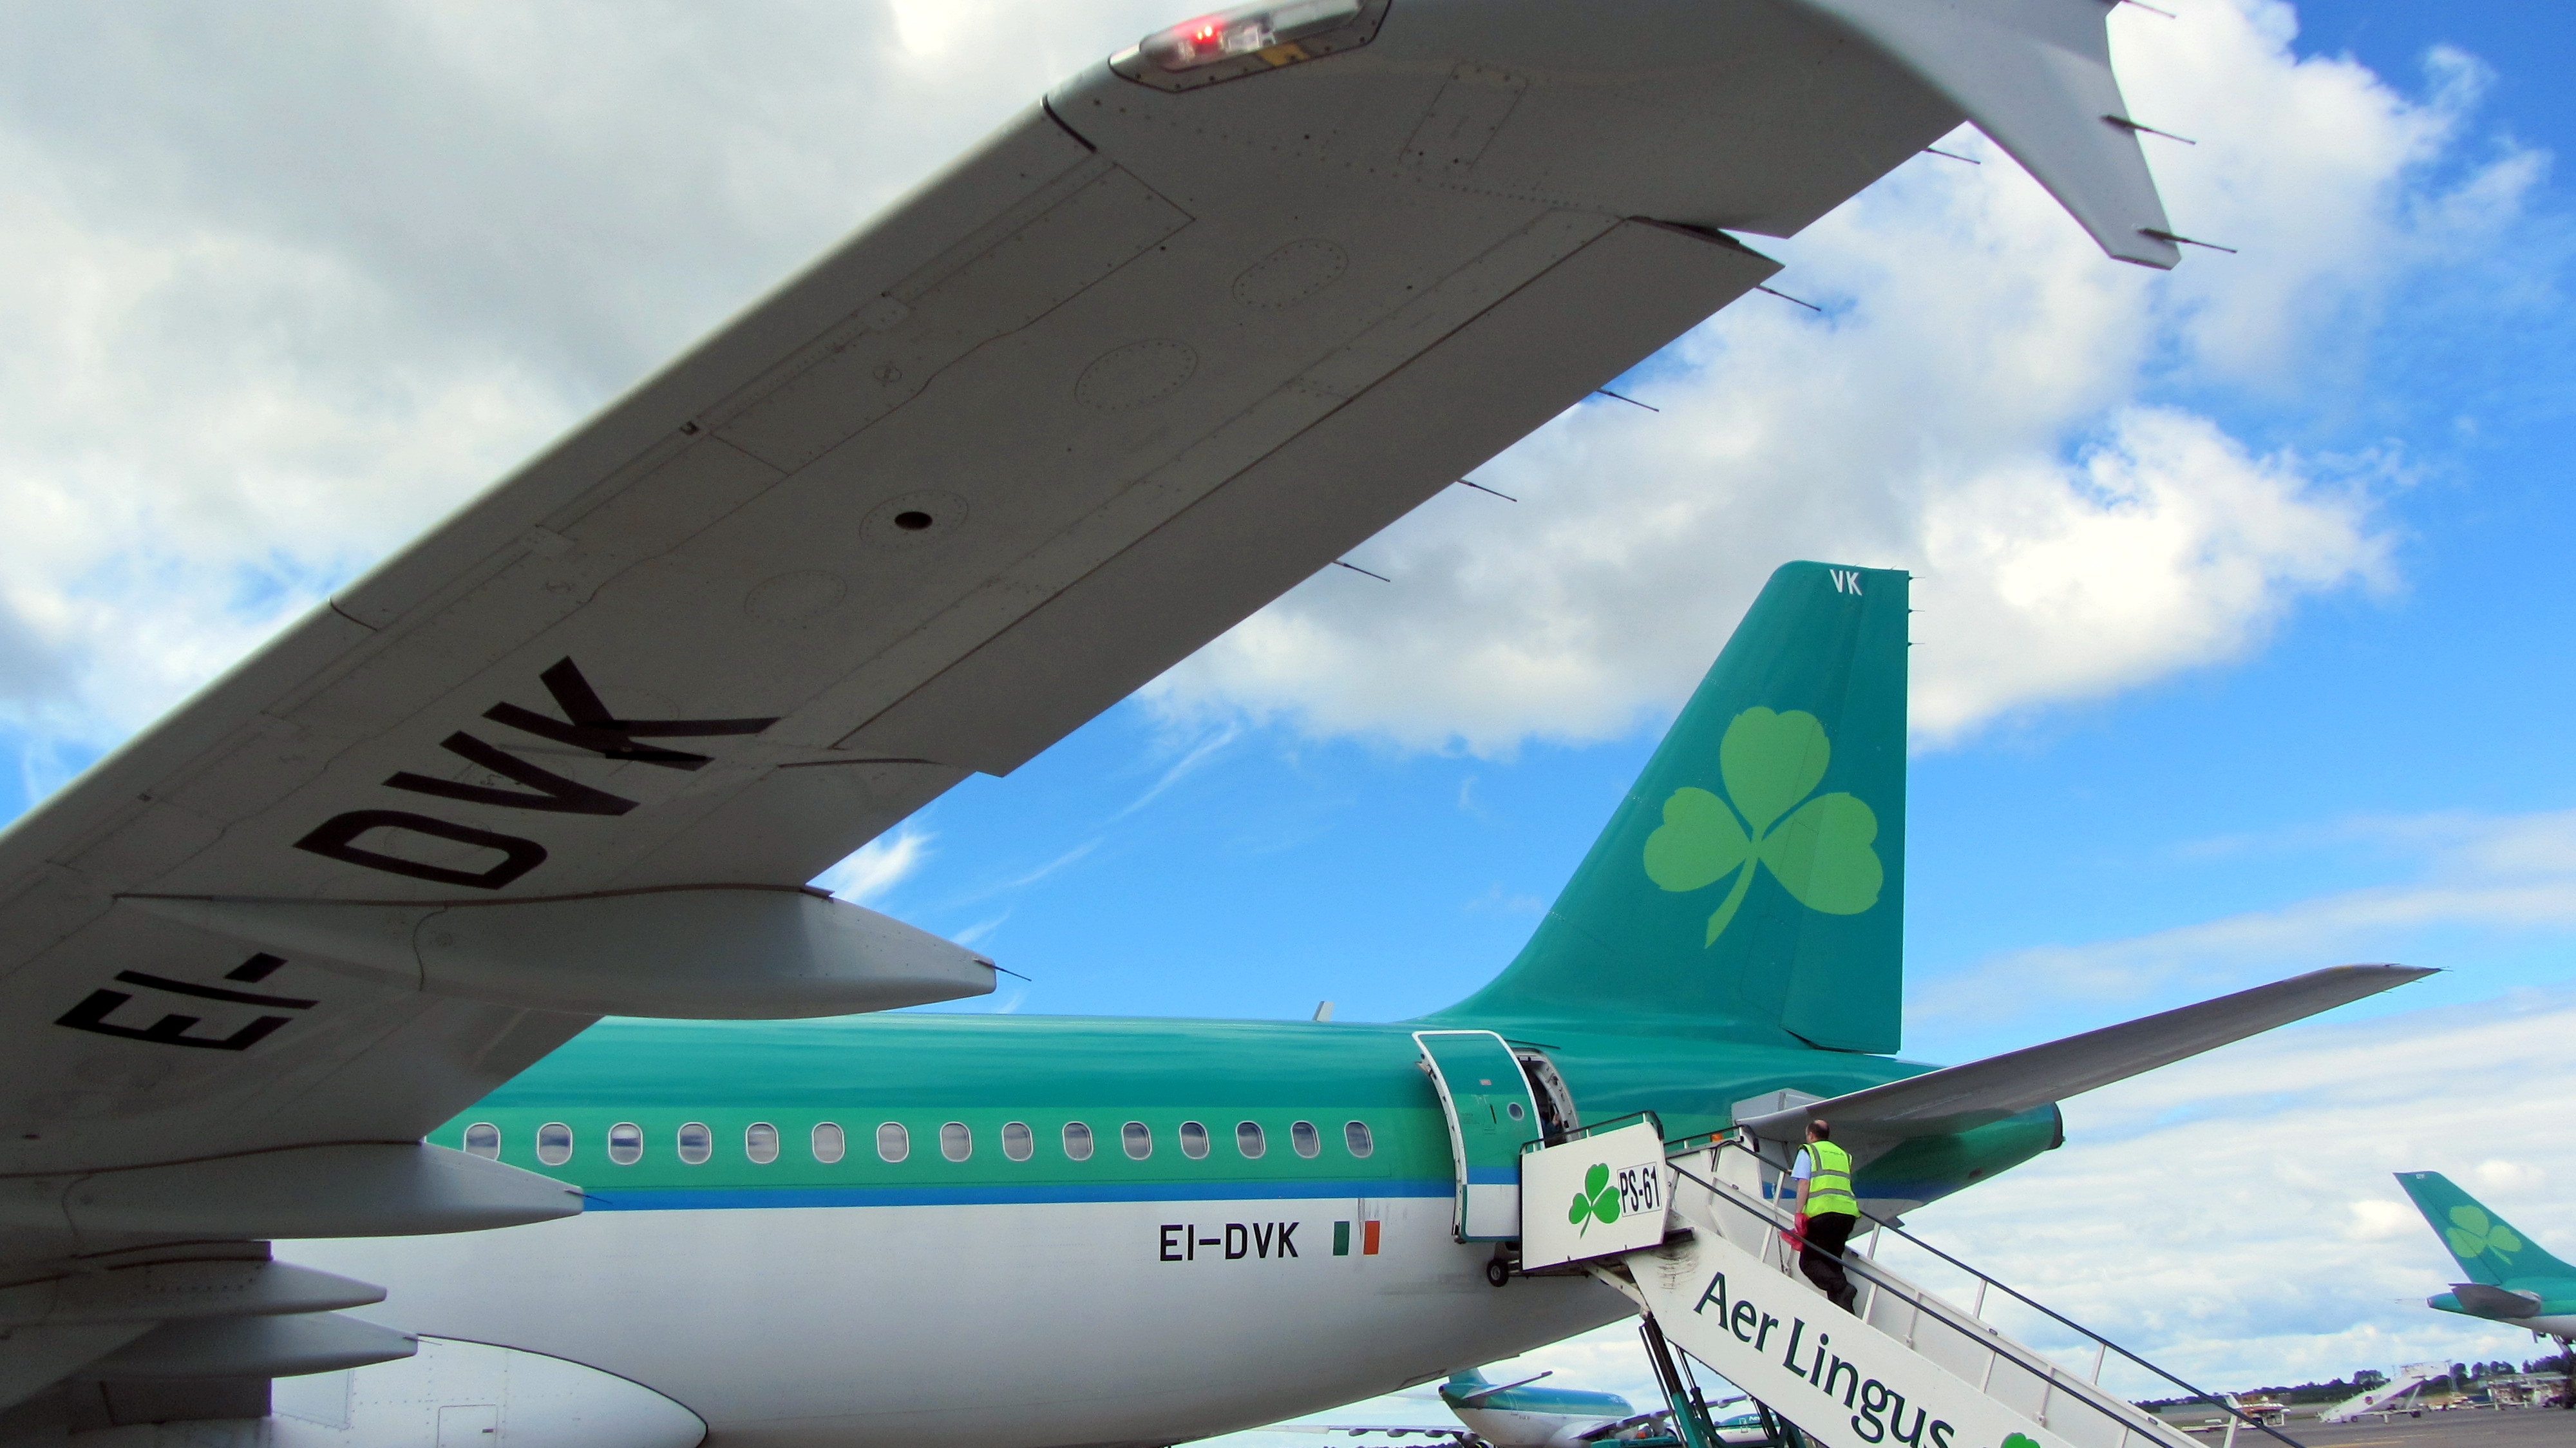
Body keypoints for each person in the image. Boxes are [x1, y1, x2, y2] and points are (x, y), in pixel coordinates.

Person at [1790, 1118, 1860, 1312]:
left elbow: (1804, 1183)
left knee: (1809, 1262)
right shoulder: (1843, 1155)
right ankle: (1843, 1306)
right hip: (1847, 1214)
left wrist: (1798, 1212)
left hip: (1823, 1214)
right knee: (1832, 1261)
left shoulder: (1809, 1151)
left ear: (1811, 1135)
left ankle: (1843, 1288)